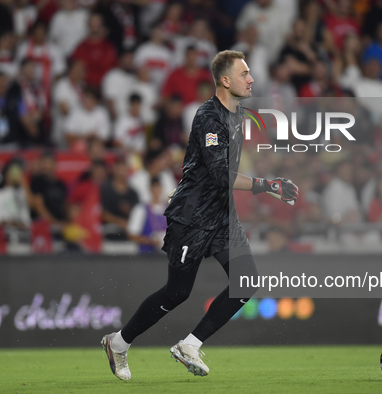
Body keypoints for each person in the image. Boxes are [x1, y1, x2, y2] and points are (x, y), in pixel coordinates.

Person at [101, 50, 298, 380]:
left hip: (221, 216)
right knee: (177, 293)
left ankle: (189, 345)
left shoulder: (238, 116)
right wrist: (268, 185)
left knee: (247, 279)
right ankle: (118, 343)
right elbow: (221, 174)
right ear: (225, 80)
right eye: (244, 74)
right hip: (191, 218)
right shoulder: (209, 117)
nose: (251, 79)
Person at [127, 176, 168, 253]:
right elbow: (132, 235)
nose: (157, 191)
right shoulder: (140, 209)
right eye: (154, 188)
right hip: (147, 257)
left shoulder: (170, 210)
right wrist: (150, 241)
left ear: (161, 189)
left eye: (158, 187)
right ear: (150, 189)